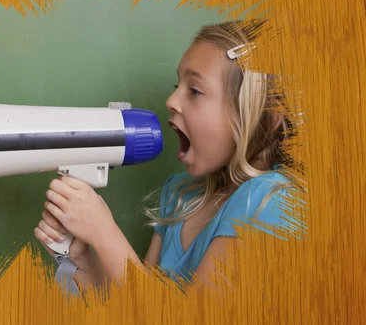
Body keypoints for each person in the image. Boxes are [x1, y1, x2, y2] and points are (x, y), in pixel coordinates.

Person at [33, 20, 300, 294]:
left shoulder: (269, 202)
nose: (171, 100)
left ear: (262, 118)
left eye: (194, 91)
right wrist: (82, 259)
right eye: (177, 85)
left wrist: (105, 235)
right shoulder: (179, 195)